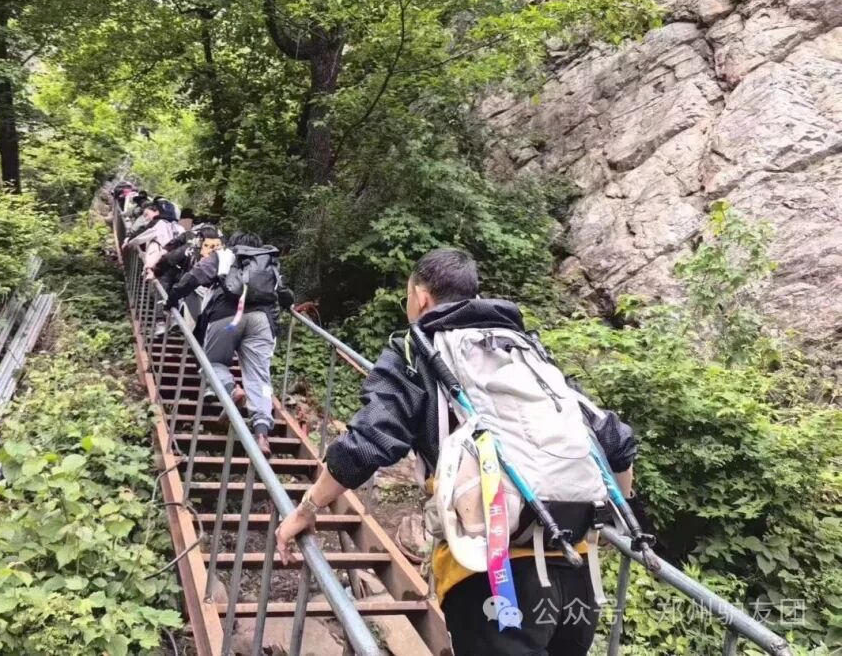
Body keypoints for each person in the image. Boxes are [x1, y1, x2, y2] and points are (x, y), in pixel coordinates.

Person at [274, 249, 638, 656]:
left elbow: (369, 441)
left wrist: (306, 508)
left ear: (421, 297)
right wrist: (610, 518)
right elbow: (616, 440)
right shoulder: (524, 348)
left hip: (491, 577)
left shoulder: (419, 349)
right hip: (576, 572)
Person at [164, 232, 294, 457]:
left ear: (232, 244)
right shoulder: (267, 261)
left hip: (225, 316)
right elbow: (285, 295)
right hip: (262, 320)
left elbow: (194, 277)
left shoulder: (224, 255)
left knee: (211, 364)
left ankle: (232, 390)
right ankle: (262, 433)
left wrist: (172, 298)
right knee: (259, 377)